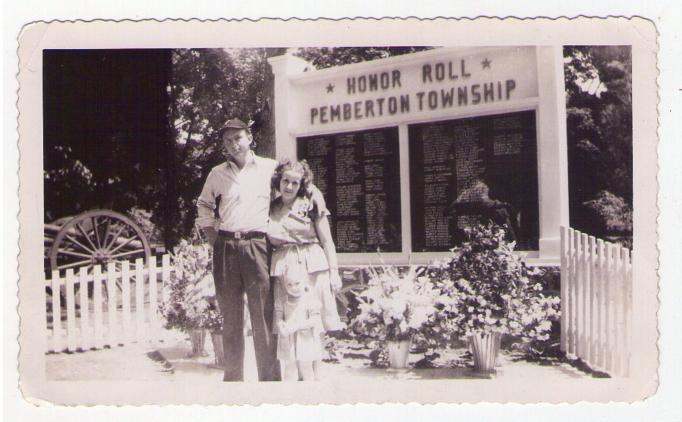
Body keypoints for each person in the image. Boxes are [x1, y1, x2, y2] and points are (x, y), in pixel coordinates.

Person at [196, 118, 280, 382]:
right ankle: (234, 383)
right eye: (228, 141)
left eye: (238, 138)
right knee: (231, 318)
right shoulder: (217, 174)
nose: (234, 145)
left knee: (263, 317)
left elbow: (286, 200)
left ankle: (269, 383)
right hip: (227, 247)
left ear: (250, 138)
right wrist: (214, 238)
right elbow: (204, 205)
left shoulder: (270, 168)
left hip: (258, 246)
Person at [267, 159, 344, 381]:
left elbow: (327, 240)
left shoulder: (310, 203)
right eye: (285, 180)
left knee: (313, 321)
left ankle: (316, 377)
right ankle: (293, 377)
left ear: (302, 184)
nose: (289, 186)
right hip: (284, 266)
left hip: (312, 264)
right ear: (278, 181)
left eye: (295, 182)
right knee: (288, 320)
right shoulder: (271, 206)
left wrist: (334, 271)